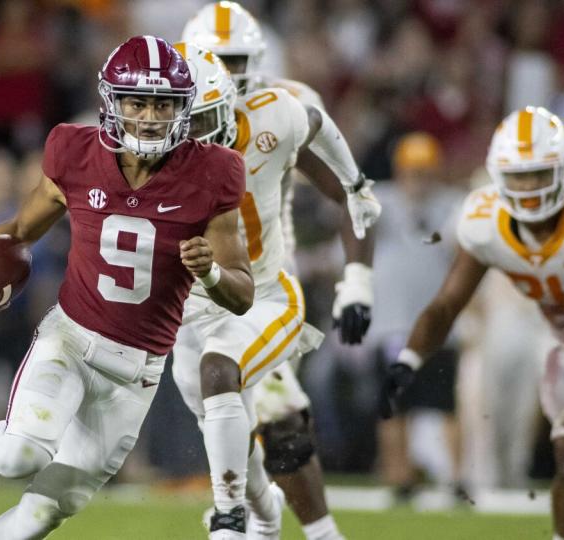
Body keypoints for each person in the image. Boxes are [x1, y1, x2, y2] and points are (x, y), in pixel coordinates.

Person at [0, 35, 255, 539]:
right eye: (136, 101)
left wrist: (210, 272)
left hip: (137, 371)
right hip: (71, 340)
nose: (147, 116)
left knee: (41, 516)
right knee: (20, 451)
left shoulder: (215, 173)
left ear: (183, 109)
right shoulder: (74, 151)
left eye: (162, 104)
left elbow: (243, 292)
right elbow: (21, 229)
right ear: (111, 102)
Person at [180, 4, 381, 539]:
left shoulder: (282, 108)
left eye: (235, 60)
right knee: (226, 421)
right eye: (212, 60)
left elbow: (349, 192)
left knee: (280, 418)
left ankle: (308, 532)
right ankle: (257, 519)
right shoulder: (161, 114)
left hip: (261, 282)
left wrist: (356, 281)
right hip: (185, 297)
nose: (224, 72)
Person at [381, 106, 564, 540]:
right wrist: (409, 358)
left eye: (540, 174)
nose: (528, 188)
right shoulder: (484, 221)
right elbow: (448, 304)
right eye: (519, 175)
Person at [367, 133, 466, 504]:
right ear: (400, 171)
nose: (418, 180)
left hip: (438, 327)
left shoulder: (452, 206)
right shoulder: (383, 202)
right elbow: (352, 212)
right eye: (412, 172)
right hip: (394, 326)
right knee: (395, 407)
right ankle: (399, 477)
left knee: (446, 405)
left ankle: (456, 478)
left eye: (425, 172)